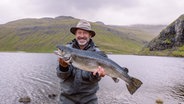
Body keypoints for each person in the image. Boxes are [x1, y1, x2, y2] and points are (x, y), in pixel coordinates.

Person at [56, 19, 107, 104]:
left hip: (89, 98)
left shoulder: (97, 53)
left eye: (85, 33)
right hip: (67, 98)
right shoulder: (67, 50)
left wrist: (97, 75)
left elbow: (93, 80)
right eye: (79, 32)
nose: (82, 36)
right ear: (75, 34)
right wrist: (63, 67)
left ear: (90, 35)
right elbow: (61, 76)